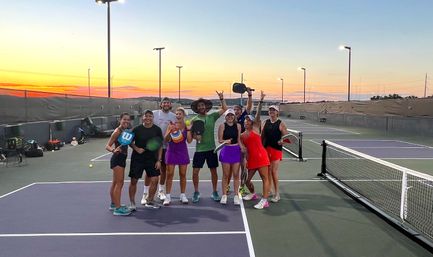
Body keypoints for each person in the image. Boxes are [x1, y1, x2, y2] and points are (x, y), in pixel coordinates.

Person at [189, 91, 228, 203]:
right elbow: (191, 137)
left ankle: (214, 191)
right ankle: (196, 192)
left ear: (206, 107)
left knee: (213, 171)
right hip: (199, 150)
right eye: (199, 105)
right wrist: (197, 137)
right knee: (195, 172)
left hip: (212, 149)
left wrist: (221, 98)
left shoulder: (212, 116)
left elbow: (224, 109)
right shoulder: (194, 120)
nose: (201, 107)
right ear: (197, 108)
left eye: (203, 105)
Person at [141, 97, 176, 204]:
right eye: (164, 102)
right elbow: (146, 123)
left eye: (168, 102)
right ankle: (145, 193)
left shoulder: (173, 116)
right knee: (149, 171)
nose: (166, 104)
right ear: (161, 105)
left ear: (170, 105)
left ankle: (161, 191)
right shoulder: (154, 113)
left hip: (166, 147)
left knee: (164, 170)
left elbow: (176, 128)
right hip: (153, 148)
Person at [240, 91, 271, 209]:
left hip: (262, 157)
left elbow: (257, 114)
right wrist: (245, 161)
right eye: (245, 121)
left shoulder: (256, 128)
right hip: (252, 160)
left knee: (265, 179)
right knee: (247, 181)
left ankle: (264, 200)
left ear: (252, 122)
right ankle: (253, 194)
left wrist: (261, 101)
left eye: (248, 121)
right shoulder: (242, 135)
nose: (246, 122)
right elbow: (245, 151)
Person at [129, 110, 163, 209]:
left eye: (150, 116)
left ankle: (150, 200)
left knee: (155, 179)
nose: (148, 118)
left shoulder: (157, 130)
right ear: (142, 117)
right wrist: (136, 149)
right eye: (146, 116)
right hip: (137, 159)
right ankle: (132, 203)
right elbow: (130, 142)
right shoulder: (136, 129)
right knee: (134, 181)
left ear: (153, 118)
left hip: (152, 159)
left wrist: (159, 160)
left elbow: (160, 145)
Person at [163, 107, 192, 205]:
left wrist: (188, 130)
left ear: (184, 115)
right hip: (171, 151)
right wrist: (170, 131)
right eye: (177, 113)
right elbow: (166, 140)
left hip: (182, 152)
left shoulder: (187, 126)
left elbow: (189, 141)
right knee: (169, 174)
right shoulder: (171, 125)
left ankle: (182, 195)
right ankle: (168, 196)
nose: (178, 115)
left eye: (180, 113)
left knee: (183, 174)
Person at [105, 112, 132, 216]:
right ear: (120, 120)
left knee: (115, 182)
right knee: (119, 183)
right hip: (117, 159)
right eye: (124, 119)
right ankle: (117, 208)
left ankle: (113, 203)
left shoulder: (125, 131)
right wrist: (113, 150)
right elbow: (107, 146)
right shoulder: (117, 131)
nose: (126, 121)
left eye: (128, 119)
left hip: (122, 158)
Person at [261, 105, 288, 203]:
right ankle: (269, 190)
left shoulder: (281, 123)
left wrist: (282, 141)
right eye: (270, 110)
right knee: (267, 171)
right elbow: (262, 136)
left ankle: (277, 194)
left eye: (273, 110)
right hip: (266, 150)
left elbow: (287, 138)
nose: (271, 111)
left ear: (277, 112)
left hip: (276, 150)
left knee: (273, 172)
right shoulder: (265, 122)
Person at [217, 108, 243, 205]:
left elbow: (239, 139)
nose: (230, 117)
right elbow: (220, 140)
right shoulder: (222, 126)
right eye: (228, 115)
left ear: (234, 116)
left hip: (236, 151)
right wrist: (225, 141)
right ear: (225, 116)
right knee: (226, 175)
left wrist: (242, 148)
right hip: (226, 151)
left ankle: (236, 195)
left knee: (236, 174)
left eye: (232, 115)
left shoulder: (239, 126)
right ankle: (224, 195)